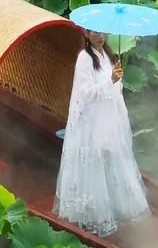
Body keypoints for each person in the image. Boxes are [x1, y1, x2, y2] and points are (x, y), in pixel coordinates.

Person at [54, 30, 151, 237]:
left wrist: (115, 78)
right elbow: (86, 92)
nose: (100, 36)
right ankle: (94, 214)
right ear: (86, 34)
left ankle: (117, 207)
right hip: (91, 122)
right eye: (95, 33)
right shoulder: (84, 58)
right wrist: (110, 81)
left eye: (102, 33)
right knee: (93, 165)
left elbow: (113, 89)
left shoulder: (107, 54)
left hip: (107, 119)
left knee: (112, 159)